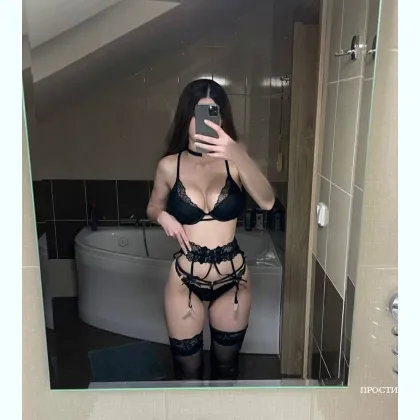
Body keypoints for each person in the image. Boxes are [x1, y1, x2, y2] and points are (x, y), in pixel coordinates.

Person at [147, 79, 275, 381]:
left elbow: (268, 201)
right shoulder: (169, 165)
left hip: (233, 279)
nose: (204, 122)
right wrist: (162, 216)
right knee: (187, 372)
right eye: (198, 114)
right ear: (185, 117)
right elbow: (153, 206)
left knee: (226, 370)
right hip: (185, 278)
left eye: (212, 113)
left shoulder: (236, 161)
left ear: (222, 118)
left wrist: (237, 153)